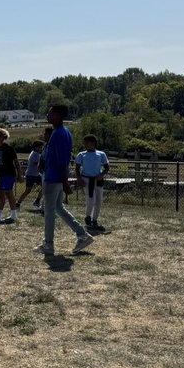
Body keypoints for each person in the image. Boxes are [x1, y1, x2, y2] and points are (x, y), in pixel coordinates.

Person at [37, 105, 94, 257]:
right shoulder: (64, 131)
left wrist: (64, 181)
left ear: (58, 115)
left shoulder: (58, 134)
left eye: (50, 113)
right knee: (58, 208)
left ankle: (48, 245)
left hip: (54, 178)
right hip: (56, 177)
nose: (47, 115)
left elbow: (62, 160)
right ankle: (83, 235)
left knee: (49, 212)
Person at [75, 135, 110, 229]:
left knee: (98, 201)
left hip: (98, 179)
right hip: (86, 180)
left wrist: (102, 175)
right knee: (91, 200)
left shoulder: (101, 154)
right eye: (84, 143)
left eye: (87, 143)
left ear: (93, 143)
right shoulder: (81, 155)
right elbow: (77, 169)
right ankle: (87, 216)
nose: (85, 145)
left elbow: (107, 167)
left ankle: (94, 220)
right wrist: (79, 179)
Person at [0, 128, 20, 224]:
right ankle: (13, 216)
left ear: (2, 137)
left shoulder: (9, 148)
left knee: (1, 194)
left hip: (8, 174)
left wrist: (20, 175)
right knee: (9, 194)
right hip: (1, 175)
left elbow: (16, 162)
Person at [24, 140, 45, 211]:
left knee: (44, 187)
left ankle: (37, 201)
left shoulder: (36, 153)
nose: (41, 149)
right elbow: (37, 164)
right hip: (31, 174)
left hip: (36, 174)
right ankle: (18, 203)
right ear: (36, 147)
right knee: (27, 191)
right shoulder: (35, 154)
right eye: (40, 147)